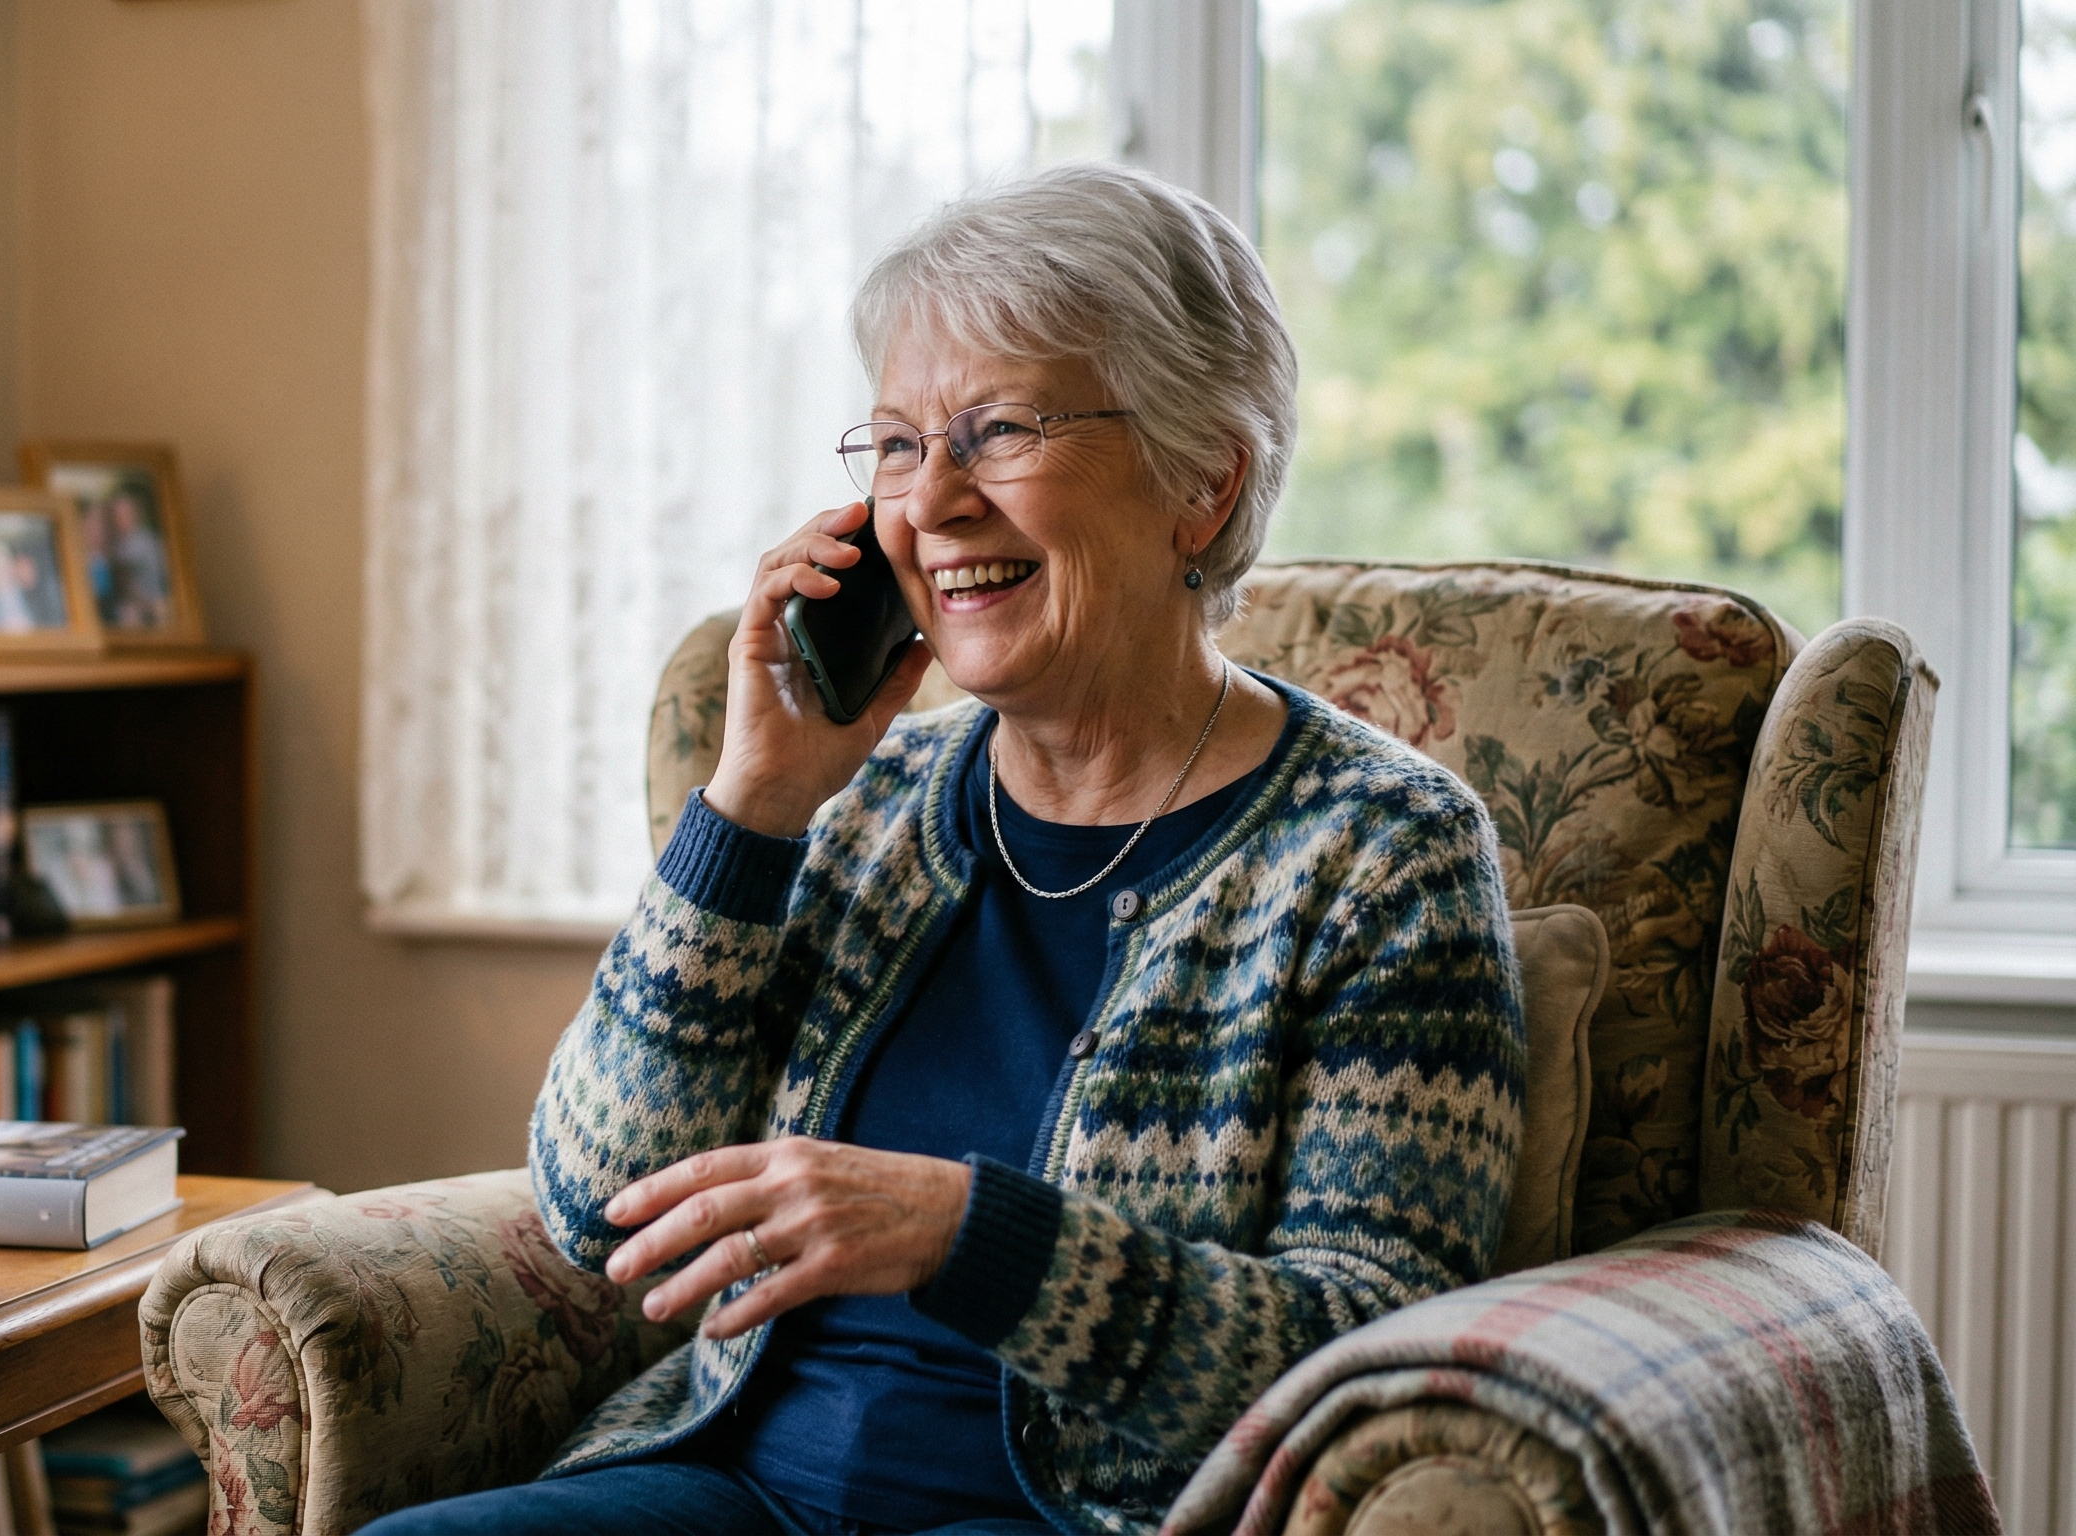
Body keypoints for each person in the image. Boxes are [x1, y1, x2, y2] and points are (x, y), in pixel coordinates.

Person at [365, 162, 1524, 1536]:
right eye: (900, 446)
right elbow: (596, 1206)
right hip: (731, 1487)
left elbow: (1363, 1347)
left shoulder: (1380, 853)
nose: (932, 506)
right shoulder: (858, 803)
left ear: (1202, 482)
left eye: (999, 432)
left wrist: (966, 1235)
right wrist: (750, 811)